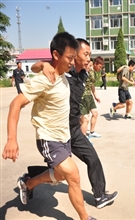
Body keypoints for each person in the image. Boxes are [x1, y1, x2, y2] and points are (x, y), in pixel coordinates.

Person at [2, 32, 96, 220]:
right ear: (56, 55)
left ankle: (28, 184)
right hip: (48, 138)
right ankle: (85, 218)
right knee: (74, 176)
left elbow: (39, 65)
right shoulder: (44, 80)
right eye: (69, 57)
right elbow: (16, 104)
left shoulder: (63, 72)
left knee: (60, 176)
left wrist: (42, 64)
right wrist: (12, 140)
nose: (72, 62)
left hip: (64, 137)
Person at [31, 38, 118, 209]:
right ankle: (30, 180)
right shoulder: (63, 70)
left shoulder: (84, 73)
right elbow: (35, 68)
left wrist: (79, 114)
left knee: (92, 158)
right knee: (57, 175)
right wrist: (43, 65)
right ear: (74, 54)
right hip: (56, 132)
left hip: (74, 129)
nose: (88, 59)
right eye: (86, 54)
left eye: (90, 55)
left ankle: (99, 195)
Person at [80, 57, 103, 138]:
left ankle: (92, 132)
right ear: (95, 64)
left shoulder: (93, 71)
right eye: (99, 67)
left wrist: (95, 96)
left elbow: (92, 84)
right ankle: (83, 138)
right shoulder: (88, 68)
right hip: (83, 95)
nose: (100, 69)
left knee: (95, 113)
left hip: (89, 95)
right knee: (85, 118)